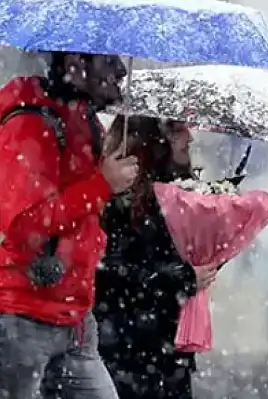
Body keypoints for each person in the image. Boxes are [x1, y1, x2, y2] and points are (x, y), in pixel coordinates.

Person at [0, 52, 134, 398]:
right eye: (108, 60)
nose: (121, 69)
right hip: (21, 316)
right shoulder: (31, 123)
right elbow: (24, 225)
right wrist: (101, 185)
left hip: (74, 318)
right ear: (76, 60)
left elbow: (83, 212)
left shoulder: (82, 118)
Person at [95, 115, 219, 399]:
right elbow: (107, 272)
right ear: (153, 139)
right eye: (177, 130)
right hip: (126, 349)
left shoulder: (183, 194)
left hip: (168, 349)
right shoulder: (117, 199)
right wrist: (182, 278)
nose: (190, 138)